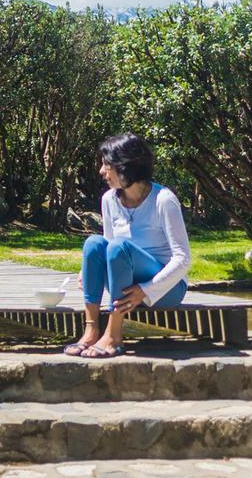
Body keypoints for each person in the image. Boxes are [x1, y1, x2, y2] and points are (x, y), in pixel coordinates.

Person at [64, 133, 190, 358]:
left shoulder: (164, 200)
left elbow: (183, 259)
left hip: (165, 289)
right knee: (94, 243)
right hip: (125, 288)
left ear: (126, 166)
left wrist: (146, 290)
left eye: (107, 165)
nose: (102, 172)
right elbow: (108, 245)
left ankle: (113, 335)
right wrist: (88, 270)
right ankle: (91, 330)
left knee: (118, 247)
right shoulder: (109, 199)